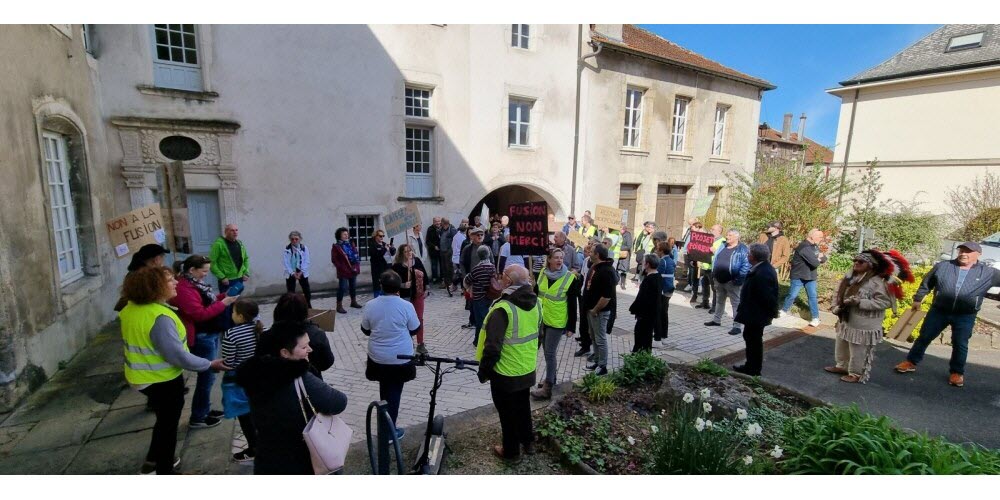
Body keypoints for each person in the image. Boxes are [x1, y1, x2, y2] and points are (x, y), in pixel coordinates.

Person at [119, 266, 230, 474]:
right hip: (162, 379)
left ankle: (153, 460)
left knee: (163, 421)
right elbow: (178, 356)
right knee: (168, 427)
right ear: (155, 287)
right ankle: (163, 469)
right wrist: (209, 364)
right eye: (170, 280)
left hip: (140, 375)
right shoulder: (159, 317)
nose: (176, 283)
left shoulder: (131, 308)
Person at [237, 321, 348, 475]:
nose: (310, 349)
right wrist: (311, 372)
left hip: (267, 457)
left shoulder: (255, 374)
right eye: (304, 347)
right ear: (285, 352)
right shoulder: (300, 379)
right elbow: (339, 402)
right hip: (299, 459)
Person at [895, 242, 1000, 387]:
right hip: (939, 311)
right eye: (961, 250)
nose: (963, 253)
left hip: (965, 315)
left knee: (960, 343)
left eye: (968, 251)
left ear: (978, 254)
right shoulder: (943, 266)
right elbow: (927, 282)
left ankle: (956, 373)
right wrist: (918, 299)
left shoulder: (989, 272)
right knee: (924, 336)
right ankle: (911, 362)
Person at [475, 265, 540, 461]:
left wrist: (484, 371)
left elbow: (492, 347)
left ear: (509, 282)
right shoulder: (537, 303)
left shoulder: (503, 309)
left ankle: (511, 452)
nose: (499, 278)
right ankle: (527, 442)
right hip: (527, 368)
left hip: (505, 373)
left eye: (502, 275)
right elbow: (539, 335)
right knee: (522, 407)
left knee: (507, 413)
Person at [170, 255, 238, 429]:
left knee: (210, 375)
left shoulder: (193, 284)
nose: (206, 275)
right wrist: (224, 303)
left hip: (210, 332)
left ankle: (205, 409)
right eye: (204, 271)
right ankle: (198, 416)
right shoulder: (184, 288)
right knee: (206, 376)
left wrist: (224, 296)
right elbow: (199, 314)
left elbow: (208, 300)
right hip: (202, 335)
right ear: (192, 270)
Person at [361, 271, 420, 435]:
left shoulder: (371, 305)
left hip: (377, 357)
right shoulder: (406, 306)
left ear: (381, 286)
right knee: (394, 392)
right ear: (398, 288)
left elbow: (365, 329)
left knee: (384, 388)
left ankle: (384, 425)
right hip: (400, 357)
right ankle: (389, 431)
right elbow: (415, 329)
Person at [825, 250, 894, 383]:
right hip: (846, 319)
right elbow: (838, 293)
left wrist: (860, 302)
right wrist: (835, 307)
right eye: (855, 260)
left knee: (859, 349)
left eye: (861, 261)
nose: (856, 263)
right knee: (841, 344)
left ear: (871, 265)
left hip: (864, 324)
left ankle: (856, 373)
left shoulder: (878, 282)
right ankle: (842, 366)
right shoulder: (849, 278)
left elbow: (886, 302)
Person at [531, 249, 581, 400]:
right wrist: (531, 285)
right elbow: (537, 293)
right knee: (547, 352)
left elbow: (573, 305)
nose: (559, 260)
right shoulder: (542, 274)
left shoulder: (569, 278)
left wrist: (571, 327)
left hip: (556, 322)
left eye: (561, 258)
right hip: (541, 319)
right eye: (556, 258)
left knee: (550, 353)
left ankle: (547, 389)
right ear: (549, 260)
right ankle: (551, 379)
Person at [220, 298, 263, 462]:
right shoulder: (260, 328)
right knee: (257, 412)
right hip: (258, 377)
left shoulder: (231, 334)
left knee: (245, 415)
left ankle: (254, 447)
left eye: (233, 311)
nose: (231, 314)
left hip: (240, 380)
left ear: (240, 316)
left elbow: (229, 362)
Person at [732, 244, 779, 376]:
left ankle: (753, 368)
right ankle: (750, 365)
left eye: (749, 254)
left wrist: (771, 313)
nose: (747, 256)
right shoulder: (761, 268)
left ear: (753, 256)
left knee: (754, 340)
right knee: (751, 338)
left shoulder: (763, 272)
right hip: (754, 313)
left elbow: (767, 297)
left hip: (756, 314)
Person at [272, 293, 335, 377]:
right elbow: (326, 362)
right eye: (304, 347)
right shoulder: (316, 334)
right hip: (307, 381)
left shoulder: (268, 334)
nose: (309, 349)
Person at [705, 230, 751, 336]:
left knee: (736, 304)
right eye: (727, 235)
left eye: (730, 235)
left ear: (737, 237)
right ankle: (716, 321)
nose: (727, 237)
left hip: (732, 281)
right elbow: (716, 259)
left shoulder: (742, 249)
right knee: (720, 301)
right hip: (719, 279)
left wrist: (738, 279)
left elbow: (746, 266)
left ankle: (737, 326)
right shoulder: (723, 245)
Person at [779, 229, 828, 327]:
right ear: (812, 236)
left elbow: (824, 258)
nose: (821, 239)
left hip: (811, 276)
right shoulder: (804, 247)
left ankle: (815, 318)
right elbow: (815, 263)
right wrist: (818, 258)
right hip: (799, 276)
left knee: (812, 297)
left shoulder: (814, 246)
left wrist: (819, 258)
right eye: (820, 237)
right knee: (792, 295)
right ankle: (783, 311)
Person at [584, 245, 617, 375]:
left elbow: (607, 296)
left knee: (600, 338)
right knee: (594, 337)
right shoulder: (594, 267)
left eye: (591, 252)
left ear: (597, 255)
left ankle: (603, 366)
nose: (589, 254)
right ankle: (597, 361)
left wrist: (595, 309)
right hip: (591, 310)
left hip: (599, 312)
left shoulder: (607, 271)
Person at [392, 244, 430, 355]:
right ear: (401, 253)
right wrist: (403, 285)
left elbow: (425, 275)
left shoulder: (417, 261)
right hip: (404, 296)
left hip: (418, 294)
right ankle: (407, 342)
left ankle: (420, 343)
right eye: (406, 251)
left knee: (419, 318)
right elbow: (393, 282)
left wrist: (426, 288)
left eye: (410, 250)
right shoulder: (397, 266)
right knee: (405, 320)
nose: (409, 253)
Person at [114, 244, 169, 312]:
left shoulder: (136, 271)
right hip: (139, 311)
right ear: (156, 259)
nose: (163, 261)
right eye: (162, 257)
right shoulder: (145, 276)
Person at [630, 254, 663, 353]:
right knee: (646, 336)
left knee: (641, 335)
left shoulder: (649, 279)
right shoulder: (657, 276)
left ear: (648, 264)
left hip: (646, 314)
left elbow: (643, 298)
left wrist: (637, 311)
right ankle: (643, 355)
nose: (642, 264)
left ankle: (639, 356)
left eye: (644, 262)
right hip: (652, 313)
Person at [209, 223, 250, 295]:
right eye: (232, 230)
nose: (235, 232)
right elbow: (212, 262)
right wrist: (222, 277)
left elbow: (246, 259)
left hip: (240, 278)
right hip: (227, 280)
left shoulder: (239, 243)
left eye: (236, 230)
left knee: (235, 300)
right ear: (226, 232)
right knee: (226, 303)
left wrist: (246, 272)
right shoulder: (218, 244)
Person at [331, 227, 362, 314]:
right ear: (339, 236)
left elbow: (355, 253)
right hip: (343, 271)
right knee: (343, 288)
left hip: (353, 269)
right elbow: (334, 259)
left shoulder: (350, 244)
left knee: (353, 286)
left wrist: (356, 264)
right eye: (344, 234)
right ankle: (339, 305)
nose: (346, 235)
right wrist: (341, 267)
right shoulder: (336, 246)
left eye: (347, 234)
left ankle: (353, 302)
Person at [469, 246, 496, 346]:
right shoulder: (492, 267)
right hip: (489, 296)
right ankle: (479, 339)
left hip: (478, 298)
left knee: (480, 320)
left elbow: (468, 280)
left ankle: (479, 341)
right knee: (484, 317)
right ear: (488, 254)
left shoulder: (476, 269)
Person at [697, 225, 725, 312]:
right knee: (705, 285)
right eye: (711, 228)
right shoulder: (709, 239)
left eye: (713, 229)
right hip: (705, 266)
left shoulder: (723, 241)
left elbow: (723, 255)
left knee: (715, 288)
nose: (711, 230)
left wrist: (715, 251)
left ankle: (715, 306)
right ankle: (705, 302)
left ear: (719, 231)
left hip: (713, 267)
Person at [654, 241, 676, 347]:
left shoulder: (663, 262)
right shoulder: (670, 260)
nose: (656, 250)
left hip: (663, 291)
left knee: (660, 314)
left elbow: (658, 276)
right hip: (668, 290)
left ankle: (658, 337)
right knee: (664, 314)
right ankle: (663, 336)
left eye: (658, 249)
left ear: (661, 251)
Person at [282, 231, 312, 308]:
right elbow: (286, 262)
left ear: (300, 239)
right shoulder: (287, 249)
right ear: (290, 240)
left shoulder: (304, 248)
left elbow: (307, 261)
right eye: (292, 239)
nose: (294, 241)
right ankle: (292, 307)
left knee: (306, 290)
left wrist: (301, 272)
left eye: (296, 239)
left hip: (302, 270)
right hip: (291, 271)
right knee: (291, 291)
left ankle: (308, 305)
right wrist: (292, 273)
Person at [369, 229, 396, 298]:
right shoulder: (372, 245)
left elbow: (392, 253)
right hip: (378, 270)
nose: (382, 238)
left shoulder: (384, 244)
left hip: (387, 268)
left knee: (386, 286)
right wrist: (385, 249)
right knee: (378, 287)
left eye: (383, 236)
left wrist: (392, 248)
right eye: (380, 236)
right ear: (376, 236)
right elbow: (376, 254)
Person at [682, 220, 705, 301]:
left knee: (696, 275)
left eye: (693, 227)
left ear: (698, 227)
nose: (691, 228)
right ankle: (692, 293)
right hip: (691, 256)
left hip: (698, 258)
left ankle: (696, 293)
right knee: (691, 274)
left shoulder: (703, 236)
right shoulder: (693, 234)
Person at [438, 217, 458, 291]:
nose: (440, 224)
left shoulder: (452, 230)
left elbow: (455, 240)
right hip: (442, 251)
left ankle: (451, 283)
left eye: (441, 223)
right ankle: (446, 282)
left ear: (444, 223)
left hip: (449, 251)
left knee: (449, 268)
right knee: (444, 268)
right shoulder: (442, 229)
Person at [449, 221, 466, 294]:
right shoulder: (463, 238)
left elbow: (452, 246)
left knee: (458, 273)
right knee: (460, 274)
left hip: (455, 257)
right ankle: (457, 286)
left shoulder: (455, 236)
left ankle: (455, 285)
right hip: (459, 257)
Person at [617, 223, 633, 290]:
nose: (619, 230)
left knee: (623, 269)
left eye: (620, 228)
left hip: (625, 254)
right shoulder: (618, 234)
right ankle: (617, 281)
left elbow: (629, 245)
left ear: (624, 229)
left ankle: (623, 284)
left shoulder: (628, 235)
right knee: (617, 268)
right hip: (618, 253)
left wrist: (620, 248)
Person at [427, 217, 442, 284]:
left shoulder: (442, 228)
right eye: (436, 221)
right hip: (433, 251)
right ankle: (434, 278)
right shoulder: (430, 229)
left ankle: (442, 278)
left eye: (439, 221)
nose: (438, 223)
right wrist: (434, 246)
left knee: (442, 265)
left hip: (442, 250)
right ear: (433, 222)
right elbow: (428, 241)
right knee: (434, 265)